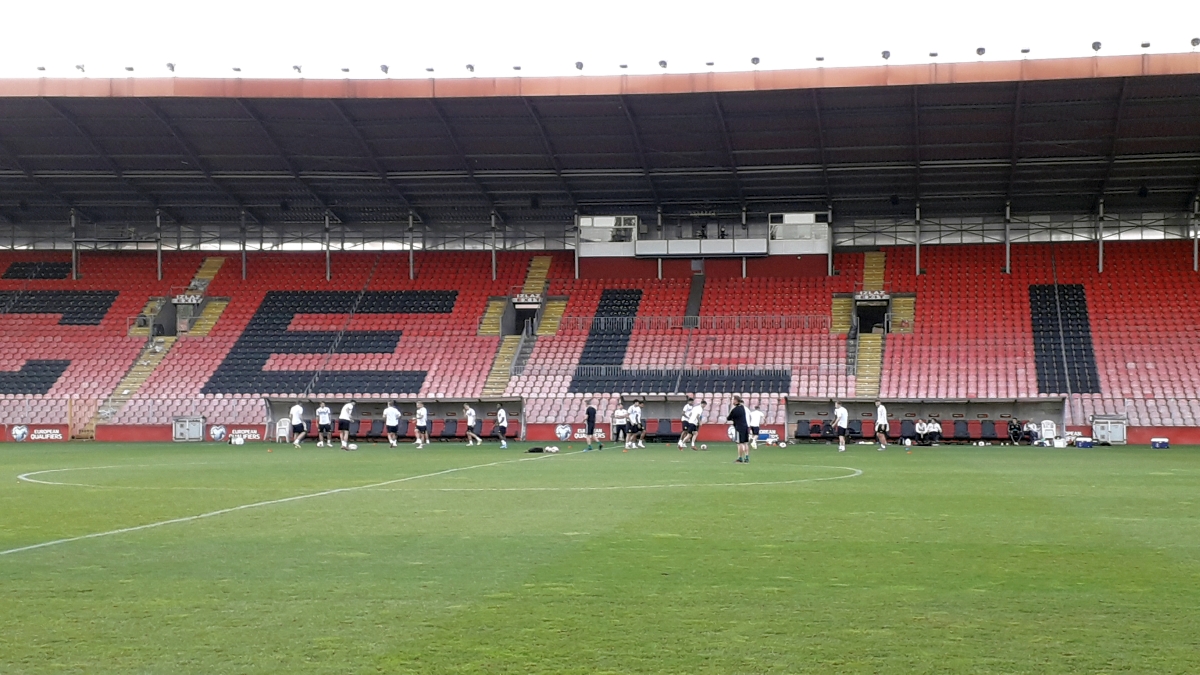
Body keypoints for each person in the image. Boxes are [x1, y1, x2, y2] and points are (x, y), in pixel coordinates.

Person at [727, 395, 751, 463]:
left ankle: (740, 458)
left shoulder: (735, 409)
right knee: (745, 443)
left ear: (736, 400)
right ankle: (746, 457)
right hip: (745, 426)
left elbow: (728, 418)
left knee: (739, 443)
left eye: (733, 400)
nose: (732, 401)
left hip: (739, 428)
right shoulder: (743, 408)